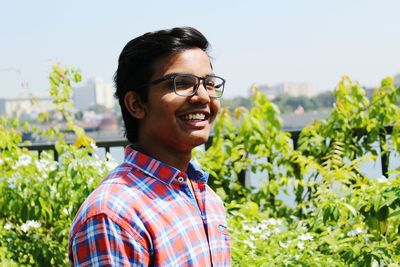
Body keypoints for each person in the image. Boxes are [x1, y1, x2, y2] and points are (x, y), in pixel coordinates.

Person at [68, 27, 231, 266]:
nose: (204, 97)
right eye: (181, 83)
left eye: (209, 84)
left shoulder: (205, 197)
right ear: (136, 104)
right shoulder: (114, 216)